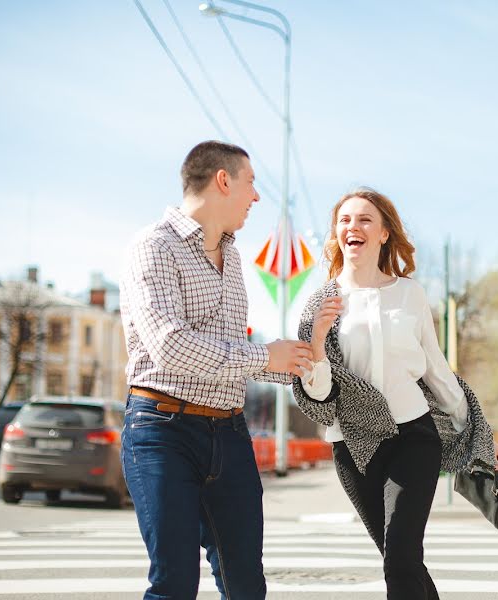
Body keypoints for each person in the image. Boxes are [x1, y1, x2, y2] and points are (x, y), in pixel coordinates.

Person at [119, 140, 313, 600]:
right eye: (251, 183)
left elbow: (229, 355)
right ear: (223, 181)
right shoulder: (154, 246)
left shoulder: (233, 255)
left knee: (246, 583)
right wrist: (267, 357)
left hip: (229, 433)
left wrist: (308, 363)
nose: (257, 197)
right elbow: (171, 346)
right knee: (174, 584)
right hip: (162, 430)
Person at [292, 187, 498, 600]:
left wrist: (478, 436)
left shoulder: (410, 294)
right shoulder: (321, 302)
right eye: (345, 220)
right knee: (400, 559)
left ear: (384, 233)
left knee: (401, 557)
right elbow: (318, 394)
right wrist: (316, 342)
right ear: (337, 234)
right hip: (352, 444)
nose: (354, 227)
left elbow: (437, 370)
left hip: (413, 435)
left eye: (365, 219)